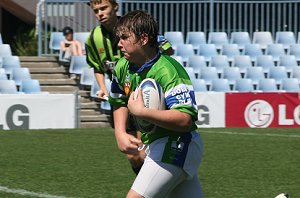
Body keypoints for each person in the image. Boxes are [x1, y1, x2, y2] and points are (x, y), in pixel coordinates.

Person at [109, 10, 203, 198]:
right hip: (156, 145)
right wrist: (120, 132)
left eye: (125, 38)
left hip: (177, 145)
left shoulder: (169, 70)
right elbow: (118, 99)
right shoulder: (122, 67)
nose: (119, 44)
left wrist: (142, 112)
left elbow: (184, 120)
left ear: (143, 39)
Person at [85, 0, 174, 175]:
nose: (100, 13)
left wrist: (160, 43)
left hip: (146, 94)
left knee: (149, 148)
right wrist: (102, 87)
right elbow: (97, 67)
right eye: (96, 10)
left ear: (115, 7)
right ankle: (148, 185)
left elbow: (169, 51)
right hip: (122, 99)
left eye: (104, 8)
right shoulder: (94, 38)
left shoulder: (133, 27)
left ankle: (152, 186)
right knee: (133, 154)